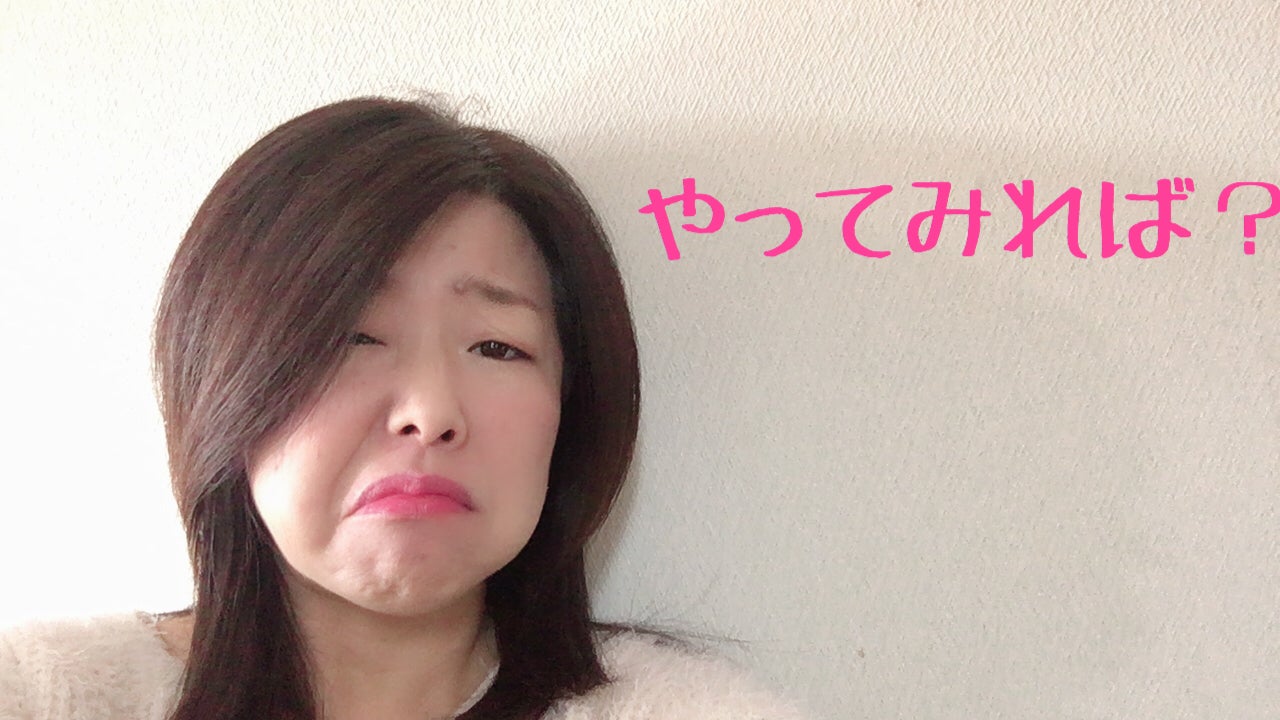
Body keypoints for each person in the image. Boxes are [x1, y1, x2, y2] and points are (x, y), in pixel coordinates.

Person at [0, 97, 803, 720]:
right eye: (352, 337)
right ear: (226, 384)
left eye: (497, 347)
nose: (429, 411)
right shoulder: (39, 693)